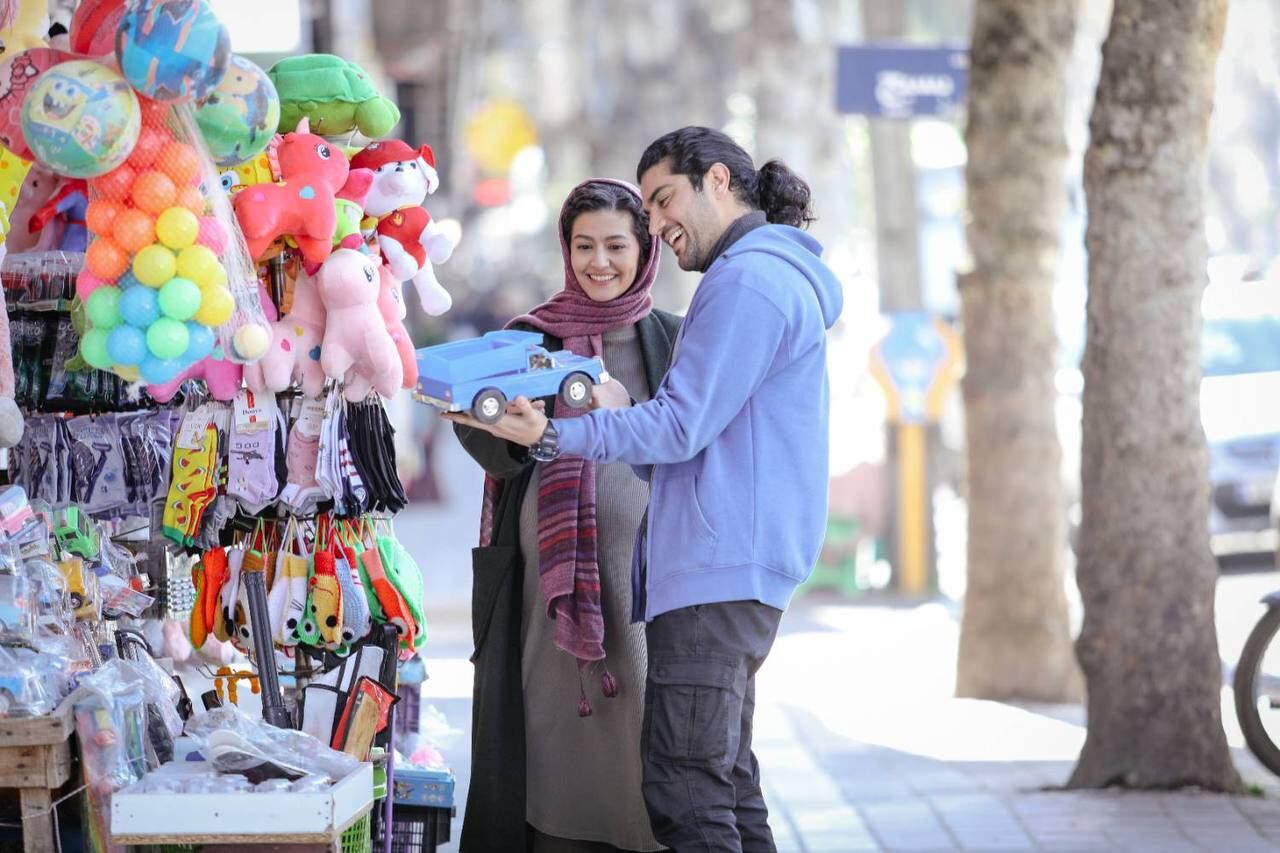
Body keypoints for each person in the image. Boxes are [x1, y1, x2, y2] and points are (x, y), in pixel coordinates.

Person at [447, 127, 843, 852]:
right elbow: (705, 443)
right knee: (721, 779)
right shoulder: (753, 278)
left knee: (685, 786)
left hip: (711, 571)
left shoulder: (746, 281)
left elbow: (680, 428)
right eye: (585, 245)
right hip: (701, 569)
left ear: (718, 181)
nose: (659, 225)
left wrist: (557, 434)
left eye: (662, 203)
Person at [454, 178, 681, 853]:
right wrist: (510, 423)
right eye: (584, 246)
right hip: (547, 588)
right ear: (566, 248)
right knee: (552, 743)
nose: (599, 261)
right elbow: (485, 442)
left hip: (649, 581)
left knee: (645, 744)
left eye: (616, 244)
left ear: (644, 250)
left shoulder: (672, 339)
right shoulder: (528, 337)